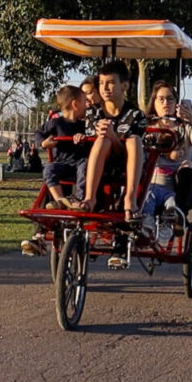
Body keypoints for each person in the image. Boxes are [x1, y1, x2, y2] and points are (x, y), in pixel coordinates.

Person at [70, 61, 147, 269]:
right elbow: (89, 144)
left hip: (127, 165)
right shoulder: (93, 112)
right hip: (100, 163)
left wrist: (114, 137)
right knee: (101, 140)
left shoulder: (136, 115)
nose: (105, 89)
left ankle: (129, 200)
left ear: (125, 86)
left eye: (111, 83)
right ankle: (89, 198)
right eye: (102, 83)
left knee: (132, 140)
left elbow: (128, 148)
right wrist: (105, 138)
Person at [140, 81, 192, 242]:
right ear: (154, 102)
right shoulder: (147, 127)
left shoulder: (184, 127)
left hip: (177, 184)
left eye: (170, 99)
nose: (166, 103)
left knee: (187, 167)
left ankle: (177, 216)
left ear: (176, 103)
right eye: (161, 99)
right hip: (151, 181)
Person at [34, 85, 89, 209]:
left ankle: (78, 199)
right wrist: (43, 143)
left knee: (85, 165)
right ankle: (59, 200)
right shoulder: (56, 123)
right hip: (62, 164)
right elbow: (38, 133)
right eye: (84, 102)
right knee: (48, 168)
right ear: (75, 104)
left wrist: (83, 136)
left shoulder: (84, 126)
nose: (86, 105)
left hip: (80, 163)